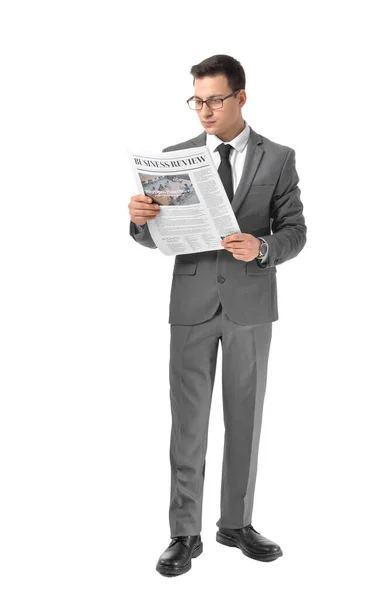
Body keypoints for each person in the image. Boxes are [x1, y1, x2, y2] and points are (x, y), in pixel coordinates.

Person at [128, 54, 307, 577]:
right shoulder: (174, 156)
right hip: (191, 305)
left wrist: (263, 247)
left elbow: (296, 230)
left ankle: (236, 523)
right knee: (187, 422)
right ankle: (184, 533)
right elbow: (157, 237)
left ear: (241, 98)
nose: (204, 111)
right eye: (197, 100)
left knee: (245, 419)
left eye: (214, 100)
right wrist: (140, 222)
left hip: (251, 305)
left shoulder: (278, 157)